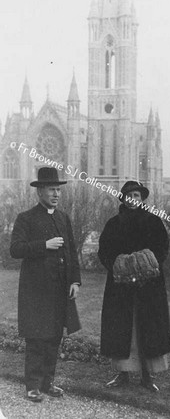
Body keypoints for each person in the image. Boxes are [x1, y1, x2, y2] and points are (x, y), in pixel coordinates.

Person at [10, 167, 81, 402]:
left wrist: (75, 281)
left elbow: (71, 252)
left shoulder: (63, 218)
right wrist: (44, 245)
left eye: (58, 190)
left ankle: (48, 383)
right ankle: (32, 386)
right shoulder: (26, 218)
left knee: (53, 338)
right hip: (36, 290)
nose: (56, 194)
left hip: (60, 289)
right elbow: (16, 249)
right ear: (39, 191)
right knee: (37, 337)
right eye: (52, 189)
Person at [98, 180, 170, 392]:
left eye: (136, 195)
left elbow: (162, 248)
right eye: (128, 195)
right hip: (120, 287)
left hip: (148, 286)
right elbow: (104, 251)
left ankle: (147, 376)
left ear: (142, 198)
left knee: (146, 327)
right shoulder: (113, 224)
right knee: (124, 329)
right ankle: (123, 373)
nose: (132, 199)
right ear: (123, 199)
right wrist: (118, 265)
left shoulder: (153, 221)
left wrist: (145, 264)